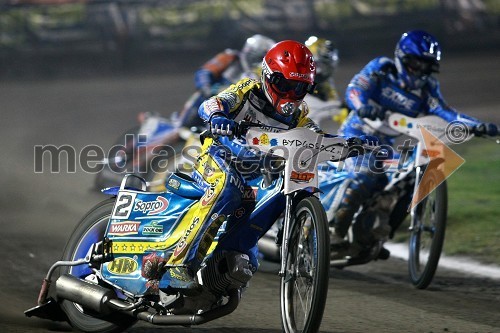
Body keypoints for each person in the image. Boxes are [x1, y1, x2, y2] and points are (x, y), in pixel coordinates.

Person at [159, 40, 359, 294]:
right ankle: (177, 266)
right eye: (285, 84)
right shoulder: (248, 89)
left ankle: (221, 269)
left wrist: (353, 144)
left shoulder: (299, 115)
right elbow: (211, 103)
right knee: (227, 190)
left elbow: (315, 138)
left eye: (299, 88)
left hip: (254, 175)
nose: (290, 94)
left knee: (249, 254)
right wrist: (218, 117)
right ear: (267, 76)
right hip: (218, 156)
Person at [330, 29, 498, 256]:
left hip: (384, 146)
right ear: (402, 58)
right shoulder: (381, 68)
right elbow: (354, 90)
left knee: (410, 177)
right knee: (366, 175)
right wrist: (362, 107)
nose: (420, 71)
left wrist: (477, 125)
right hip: (355, 136)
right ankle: (335, 233)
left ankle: (371, 235)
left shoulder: (428, 88)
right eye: (415, 64)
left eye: (426, 66)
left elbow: (447, 113)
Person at [177, 34, 276, 129]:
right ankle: (178, 128)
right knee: (181, 129)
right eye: (261, 58)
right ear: (252, 54)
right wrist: (207, 89)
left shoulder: (264, 75)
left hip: (233, 111)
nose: (262, 64)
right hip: (209, 99)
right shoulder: (230, 57)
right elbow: (204, 72)